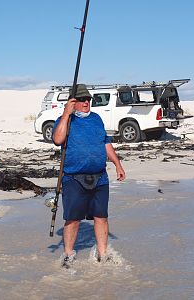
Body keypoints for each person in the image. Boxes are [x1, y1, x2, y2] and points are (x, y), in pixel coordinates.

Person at [52, 84, 125, 268]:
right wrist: (66, 114)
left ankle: (103, 254)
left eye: (88, 99)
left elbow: (106, 143)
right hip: (73, 178)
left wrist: (117, 164)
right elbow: (57, 140)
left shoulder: (96, 119)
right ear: (73, 102)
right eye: (81, 99)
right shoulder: (65, 121)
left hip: (100, 177)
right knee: (73, 218)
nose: (86, 102)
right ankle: (68, 255)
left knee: (102, 217)